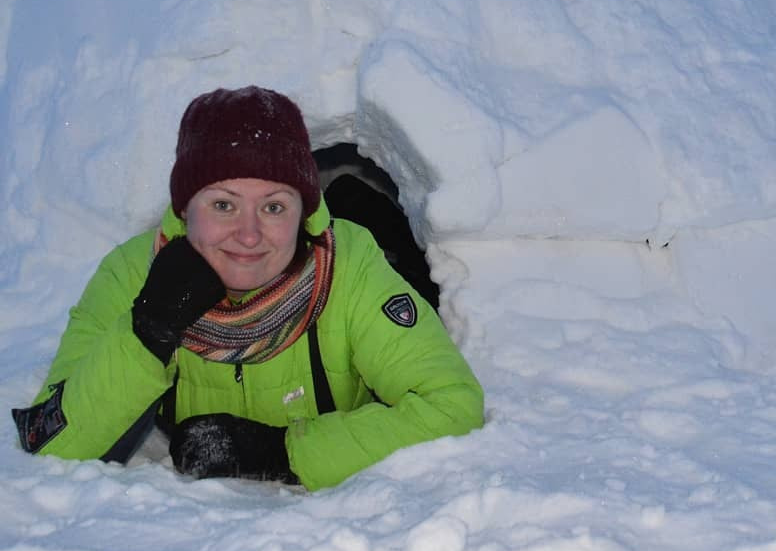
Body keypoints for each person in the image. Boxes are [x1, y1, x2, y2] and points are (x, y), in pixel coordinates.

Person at [12, 86, 484, 491]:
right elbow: (52, 443)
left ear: (304, 212)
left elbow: (452, 406)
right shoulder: (131, 273)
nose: (250, 234)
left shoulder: (349, 263)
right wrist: (147, 332)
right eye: (223, 205)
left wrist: (281, 453)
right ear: (183, 210)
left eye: (275, 207)